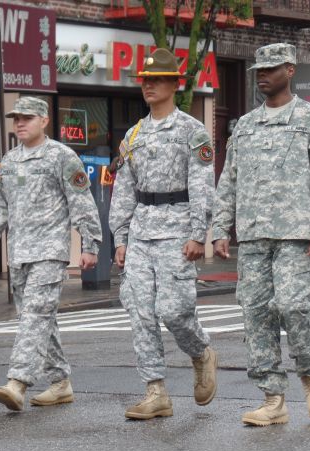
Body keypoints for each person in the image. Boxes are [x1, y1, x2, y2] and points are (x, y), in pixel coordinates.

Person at [211, 43, 310, 426]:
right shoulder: (246, 125)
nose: (262, 75)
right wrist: (221, 227)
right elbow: (229, 180)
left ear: (290, 70)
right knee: (254, 314)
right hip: (253, 236)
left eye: (270, 69)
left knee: (292, 306)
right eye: (258, 70)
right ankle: (273, 399)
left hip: (297, 236)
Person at [109, 48, 218, 420]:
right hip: (141, 229)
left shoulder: (192, 131)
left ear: (175, 84)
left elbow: (203, 185)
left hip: (178, 228)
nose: (148, 85)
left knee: (173, 310)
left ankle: (201, 352)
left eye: (156, 79)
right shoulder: (134, 134)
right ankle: (155, 391)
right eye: (145, 79)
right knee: (139, 311)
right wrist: (120, 239)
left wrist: (198, 234)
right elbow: (123, 190)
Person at [0, 96, 102, 412]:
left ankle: (17, 382)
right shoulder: (9, 162)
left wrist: (90, 244)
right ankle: (59, 382)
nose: (20, 122)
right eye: (16, 117)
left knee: (34, 316)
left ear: (44, 120)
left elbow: (81, 201)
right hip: (18, 254)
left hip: (49, 252)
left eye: (27, 117)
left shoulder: (62, 157)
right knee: (40, 319)